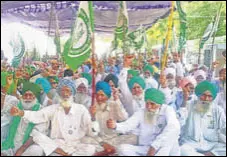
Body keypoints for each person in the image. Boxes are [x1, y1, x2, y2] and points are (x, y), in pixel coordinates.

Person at [9, 79, 96, 156]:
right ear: (59, 92)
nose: (65, 94)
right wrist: (21, 113)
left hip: (76, 145)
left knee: (90, 148)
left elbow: (93, 132)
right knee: (38, 136)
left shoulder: (81, 109)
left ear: (72, 93)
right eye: (63, 91)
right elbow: (37, 116)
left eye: (68, 91)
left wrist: (93, 117)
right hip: (57, 146)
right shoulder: (54, 108)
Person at [107, 88, 181, 156]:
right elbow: (129, 124)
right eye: (147, 103)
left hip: (162, 148)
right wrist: (115, 126)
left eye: (152, 104)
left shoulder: (168, 110)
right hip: (145, 148)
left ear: (159, 104)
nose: (148, 107)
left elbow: (173, 127)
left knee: (169, 141)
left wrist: (154, 146)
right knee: (122, 149)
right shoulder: (142, 111)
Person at [180, 81, 226, 156]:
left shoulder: (218, 110)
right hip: (191, 144)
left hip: (211, 145)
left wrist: (212, 152)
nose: (206, 99)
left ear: (213, 97)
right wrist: (184, 102)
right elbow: (179, 122)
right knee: (183, 150)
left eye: (210, 96)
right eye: (203, 95)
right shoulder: (189, 105)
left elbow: (224, 127)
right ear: (198, 95)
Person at [1, 82, 48, 156]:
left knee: (37, 150)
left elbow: (37, 134)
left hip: (27, 147)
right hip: (10, 143)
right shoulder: (16, 105)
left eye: (30, 95)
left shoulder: (41, 111)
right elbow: (3, 108)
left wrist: (21, 149)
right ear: (22, 96)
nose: (28, 97)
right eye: (25, 95)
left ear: (34, 96)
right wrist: (4, 92)